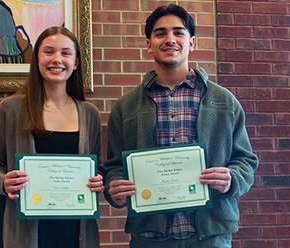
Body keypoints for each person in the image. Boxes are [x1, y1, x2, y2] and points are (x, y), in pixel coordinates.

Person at [103, 4, 259, 248]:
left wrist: (232, 179)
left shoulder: (224, 101)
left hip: (210, 237)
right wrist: (115, 189)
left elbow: (246, 160)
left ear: (192, 42)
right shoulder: (126, 107)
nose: (170, 39)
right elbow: (113, 166)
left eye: (178, 32)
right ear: (148, 44)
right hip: (150, 239)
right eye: (160, 33)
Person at [0, 26, 103, 248]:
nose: (57, 59)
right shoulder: (10, 109)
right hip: (28, 234)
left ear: (75, 63)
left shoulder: (89, 114)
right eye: (48, 52)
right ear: (36, 59)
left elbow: (97, 168)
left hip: (78, 231)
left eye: (65, 53)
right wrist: (4, 182)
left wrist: (98, 180)